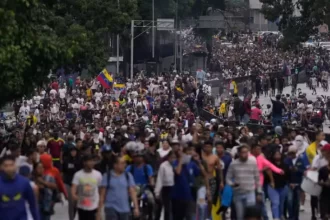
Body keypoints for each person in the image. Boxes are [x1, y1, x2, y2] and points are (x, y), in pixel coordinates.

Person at [226, 145, 262, 220]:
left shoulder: (252, 162)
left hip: (250, 192)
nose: (244, 154)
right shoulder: (233, 164)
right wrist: (232, 184)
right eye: (242, 152)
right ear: (239, 153)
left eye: (246, 152)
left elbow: (257, 178)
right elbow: (228, 178)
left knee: (251, 215)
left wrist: (259, 192)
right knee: (240, 216)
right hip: (238, 194)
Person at [98, 156, 139, 220]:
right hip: (110, 207)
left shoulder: (128, 176)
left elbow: (132, 192)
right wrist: (99, 212)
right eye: (122, 163)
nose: (124, 165)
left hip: (125, 208)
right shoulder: (107, 176)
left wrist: (136, 207)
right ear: (115, 165)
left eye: (124, 163)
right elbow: (102, 195)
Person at [0, 155, 40, 220]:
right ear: (1, 167)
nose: (9, 168)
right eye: (6, 166)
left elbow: (33, 205)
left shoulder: (24, 183)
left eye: (11, 165)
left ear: (15, 166)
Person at [71, 154, 102, 220]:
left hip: (94, 207)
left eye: (93, 161)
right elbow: (73, 191)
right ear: (84, 162)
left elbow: (101, 192)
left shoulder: (98, 175)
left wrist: (99, 210)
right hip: (82, 207)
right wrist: (78, 198)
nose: (92, 163)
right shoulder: (78, 175)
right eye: (89, 161)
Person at [154, 150, 175, 220]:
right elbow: (160, 179)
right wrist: (157, 192)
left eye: (174, 158)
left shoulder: (176, 165)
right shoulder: (163, 166)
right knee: (167, 208)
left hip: (175, 188)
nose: (173, 159)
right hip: (166, 188)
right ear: (168, 157)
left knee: (173, 208)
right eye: (171, 157)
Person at [62, 147, 82, 220]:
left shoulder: (80, 160)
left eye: (74, 151)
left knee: (77, 203)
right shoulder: (66, 160)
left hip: (78, 184)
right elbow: (64, 171)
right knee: (71, 203)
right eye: (72, 151)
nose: (73, 153)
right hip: (69, 183)